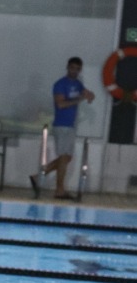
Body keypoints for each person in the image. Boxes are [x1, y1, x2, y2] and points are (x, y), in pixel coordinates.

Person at [33, 56, 95, 200]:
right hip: (61, 125)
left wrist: (89, 96)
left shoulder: (78, 84)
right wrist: (80, 99)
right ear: (67, 67)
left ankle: (38, 176)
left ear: (80, 70)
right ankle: (59, 190)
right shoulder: (60, 84)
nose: (74, 71)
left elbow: (88, 95)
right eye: (72, 68)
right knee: (63, 157)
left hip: (71, 125)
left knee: (67, 157)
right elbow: (61, 104)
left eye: (77, 69)